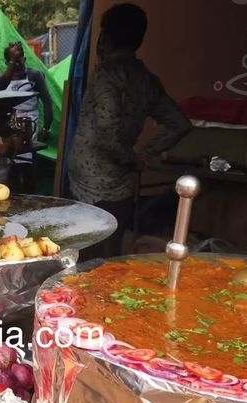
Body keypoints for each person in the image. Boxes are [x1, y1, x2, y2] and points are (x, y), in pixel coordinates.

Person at [68, 3, 191, 259]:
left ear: (107, 37)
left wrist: (135, 157)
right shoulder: (145, 79)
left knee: (87, 257)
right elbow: (179, 123)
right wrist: (144, 154)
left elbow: (105, 134)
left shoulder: (107, 74)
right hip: (121, 186)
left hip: (90, 189)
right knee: (112, 254)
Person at [0, 44, 55, 184]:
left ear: (24, 58)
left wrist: (47, 127)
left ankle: (29, 189)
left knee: (26, 160)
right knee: (9, 163)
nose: (16, 64)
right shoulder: (4, 79)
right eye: (12, 60)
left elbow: (47, 101)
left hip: (29, 123)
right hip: (8, 124)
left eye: (18, 59)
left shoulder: (35, 75)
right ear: (7, 62)